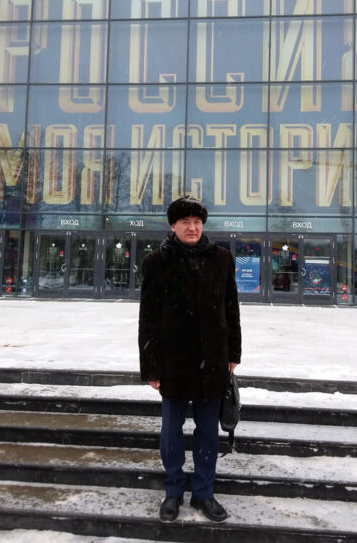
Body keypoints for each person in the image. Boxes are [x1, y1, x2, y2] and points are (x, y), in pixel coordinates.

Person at [138, 196, 241, 523]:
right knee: (171, 431)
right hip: (173, 363)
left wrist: (234, 353)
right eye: (185, 222)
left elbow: (231, 309)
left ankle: (204, 493)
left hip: (213, 360)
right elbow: (148, 318)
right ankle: (173, 491)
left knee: (208, 432)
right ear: (173, 226)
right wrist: (150, 365)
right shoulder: (157, 262)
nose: (192, 227)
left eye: (197, 222)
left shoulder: (222, 259)